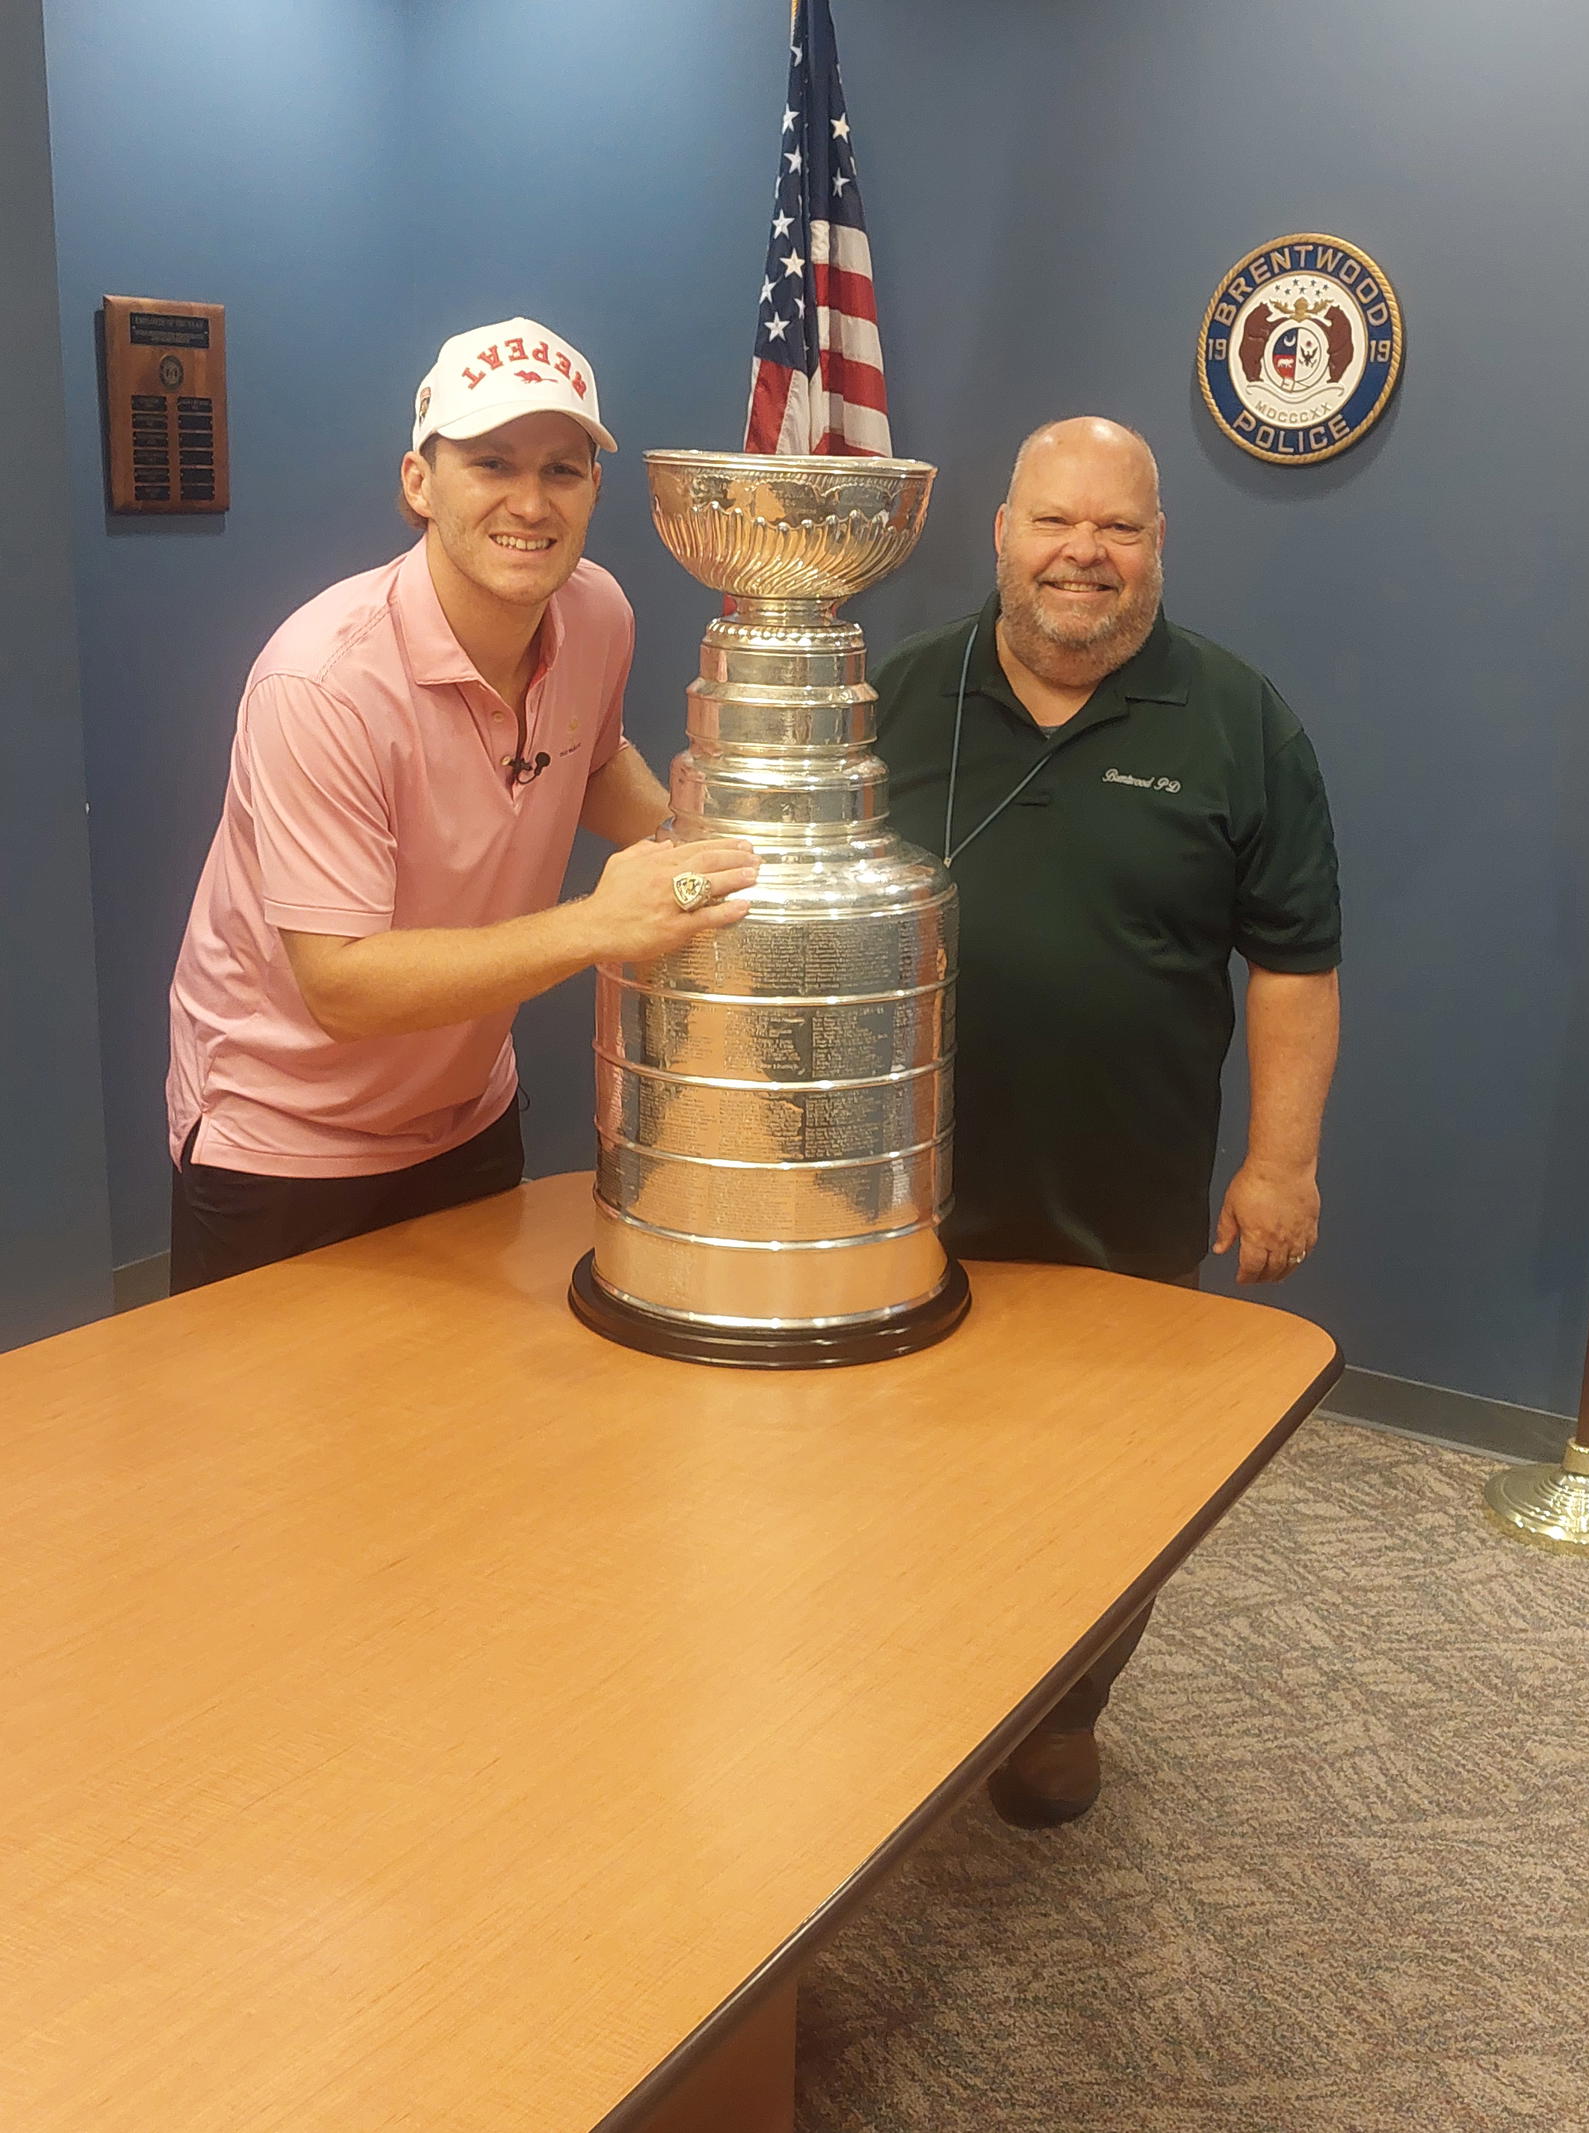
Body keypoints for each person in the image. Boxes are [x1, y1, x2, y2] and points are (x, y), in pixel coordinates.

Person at [870, 417, 1341, 1827]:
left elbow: (1299, 964)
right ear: (1000, 536)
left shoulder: (1240, 720)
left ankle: (1062, 1713)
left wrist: (1281, 1161)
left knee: (1100, 1485)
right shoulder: (894, 697)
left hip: (1120, 1188)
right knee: (892, 1465)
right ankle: (902, 1700)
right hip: (896, 1184)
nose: (1086, 553)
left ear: (1156, 551)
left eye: (1120, 529)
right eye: (1057, 522)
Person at [166, 316, 757, 1292]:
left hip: (466, 1113)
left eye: (562, 470)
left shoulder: (597, 612)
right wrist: (603, 926)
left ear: (594, 490)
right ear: (418, 483)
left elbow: (591, 761)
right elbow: (342, 985)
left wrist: (701, 851)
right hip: (284, 1139)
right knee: (278, 1444)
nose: (529, 502)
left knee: (469, 1429)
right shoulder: (320, 682)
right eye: (491, 463)